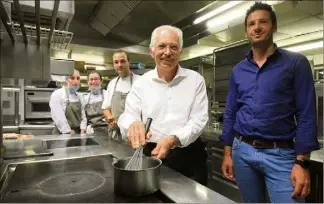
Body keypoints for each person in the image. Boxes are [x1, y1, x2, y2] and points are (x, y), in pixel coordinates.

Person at [220, 2, 320, 203]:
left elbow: (306, 113)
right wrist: (228, 153)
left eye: (263, 22)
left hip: (280, 154)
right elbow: (231, 112)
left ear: (274, 26)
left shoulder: (295, 63)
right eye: (251, 24)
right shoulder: (238, 70)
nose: (256, 27)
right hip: (242, 151)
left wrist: (302, 163)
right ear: (246, 31)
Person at [117, 25, 209, 185]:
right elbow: (127, 116)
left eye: (173, 47)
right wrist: (133, 124)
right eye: (162, 46)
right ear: (152, 52)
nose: (167, 52)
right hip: (151, 154)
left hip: (189, 153)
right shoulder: (141, 84)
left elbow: (199, 119)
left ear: (180, 51)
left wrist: (173, 139)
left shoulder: (195, 80)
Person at [102, 50, 141, 140]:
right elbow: (106, 108)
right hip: (116, 133)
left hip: (134, 134)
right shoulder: (112, 83)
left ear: (129, 62)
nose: (119, 65)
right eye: (116, 62)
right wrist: (109, 117)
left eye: (122, 61)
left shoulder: (140, 81)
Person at [50, 69, 87, 135]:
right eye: (72, 78)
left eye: (78, 78)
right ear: (66, 80)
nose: (76, 81)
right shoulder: (57, 94)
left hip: (77, 133)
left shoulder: (80, 96)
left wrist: (82, 130)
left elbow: (83, 117)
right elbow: (58, 117)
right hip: (62, 133)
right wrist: (68, 132)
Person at [84, 71, 108, 135]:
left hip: (106, 130)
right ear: (88, 82)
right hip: (91, 131)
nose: (94, 82)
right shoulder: (85, 98)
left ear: (101, 81)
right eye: (91, 79)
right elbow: (83, 118)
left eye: (96, 79)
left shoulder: (107, 94)